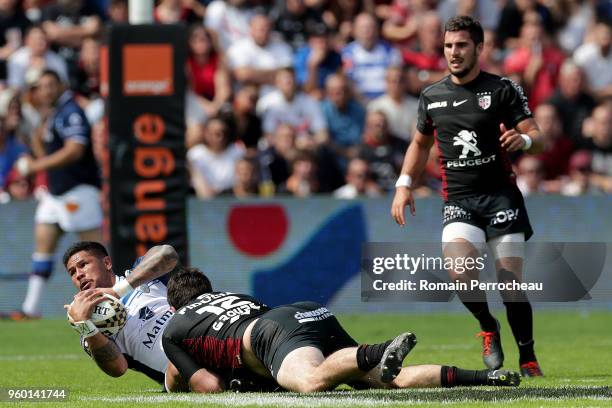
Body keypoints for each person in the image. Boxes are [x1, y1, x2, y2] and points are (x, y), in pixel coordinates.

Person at [390, 16, 544, 377]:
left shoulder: (503, 89)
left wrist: (525, 141)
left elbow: (537, 134)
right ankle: (488, 326)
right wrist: (403, 184)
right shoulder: (432, 96)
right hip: (460, 200)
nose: (453, 53)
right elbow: (419, 144)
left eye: (461, 45)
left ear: (479, 48)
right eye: (448, 46)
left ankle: (528, 354)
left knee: (509, 285)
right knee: (461, 272)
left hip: (501, 198)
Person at [162, 267, 520, 393]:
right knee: (388, 380)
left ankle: (377, 350)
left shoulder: (174, 329)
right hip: (303, 312)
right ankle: (485, 378)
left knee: (312, 382)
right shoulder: (230, 296)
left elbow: (209, 387)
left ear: (174, 307)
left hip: (272, 333)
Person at [10, 69, 102, 320]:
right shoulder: (52, 114)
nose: (46, 90)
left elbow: (75, 150)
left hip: (78, 190)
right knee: (42, 247)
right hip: (55, 193)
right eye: (41, 86)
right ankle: (31, 308)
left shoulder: (71, 111)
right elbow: (43, 151)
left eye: (51, 84)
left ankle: (112, 301)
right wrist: (38, 129)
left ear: (61, 85)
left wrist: (34, 168)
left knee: (95, 253)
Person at [62, 241, 187, 391]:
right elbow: (117, 369)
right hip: (182, 373)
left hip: (201, 334)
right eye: (72, 272)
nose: (79, 275)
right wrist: (85, 325)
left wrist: (118, 291)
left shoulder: (140, 274)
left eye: (83, 265)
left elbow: (168, 253)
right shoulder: (92, 329)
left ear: (107, 263)